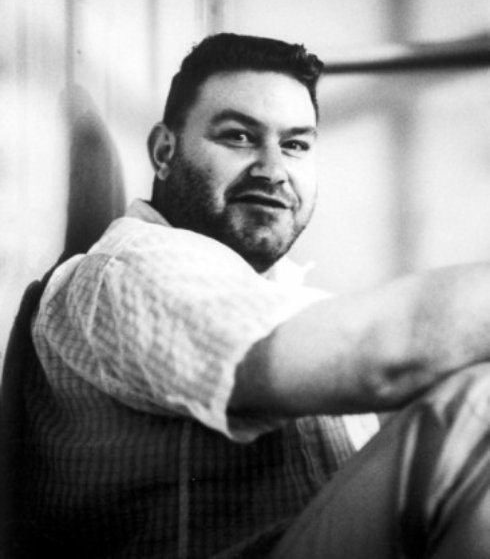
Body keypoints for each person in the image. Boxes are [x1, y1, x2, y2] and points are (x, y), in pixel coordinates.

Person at [17, 33, 490, 557]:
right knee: (479, 405)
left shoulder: (278, 295)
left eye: (295, 145)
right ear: (164, 151)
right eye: (239, 137)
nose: (273, 170)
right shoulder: (134, 266)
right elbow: (378, 359)